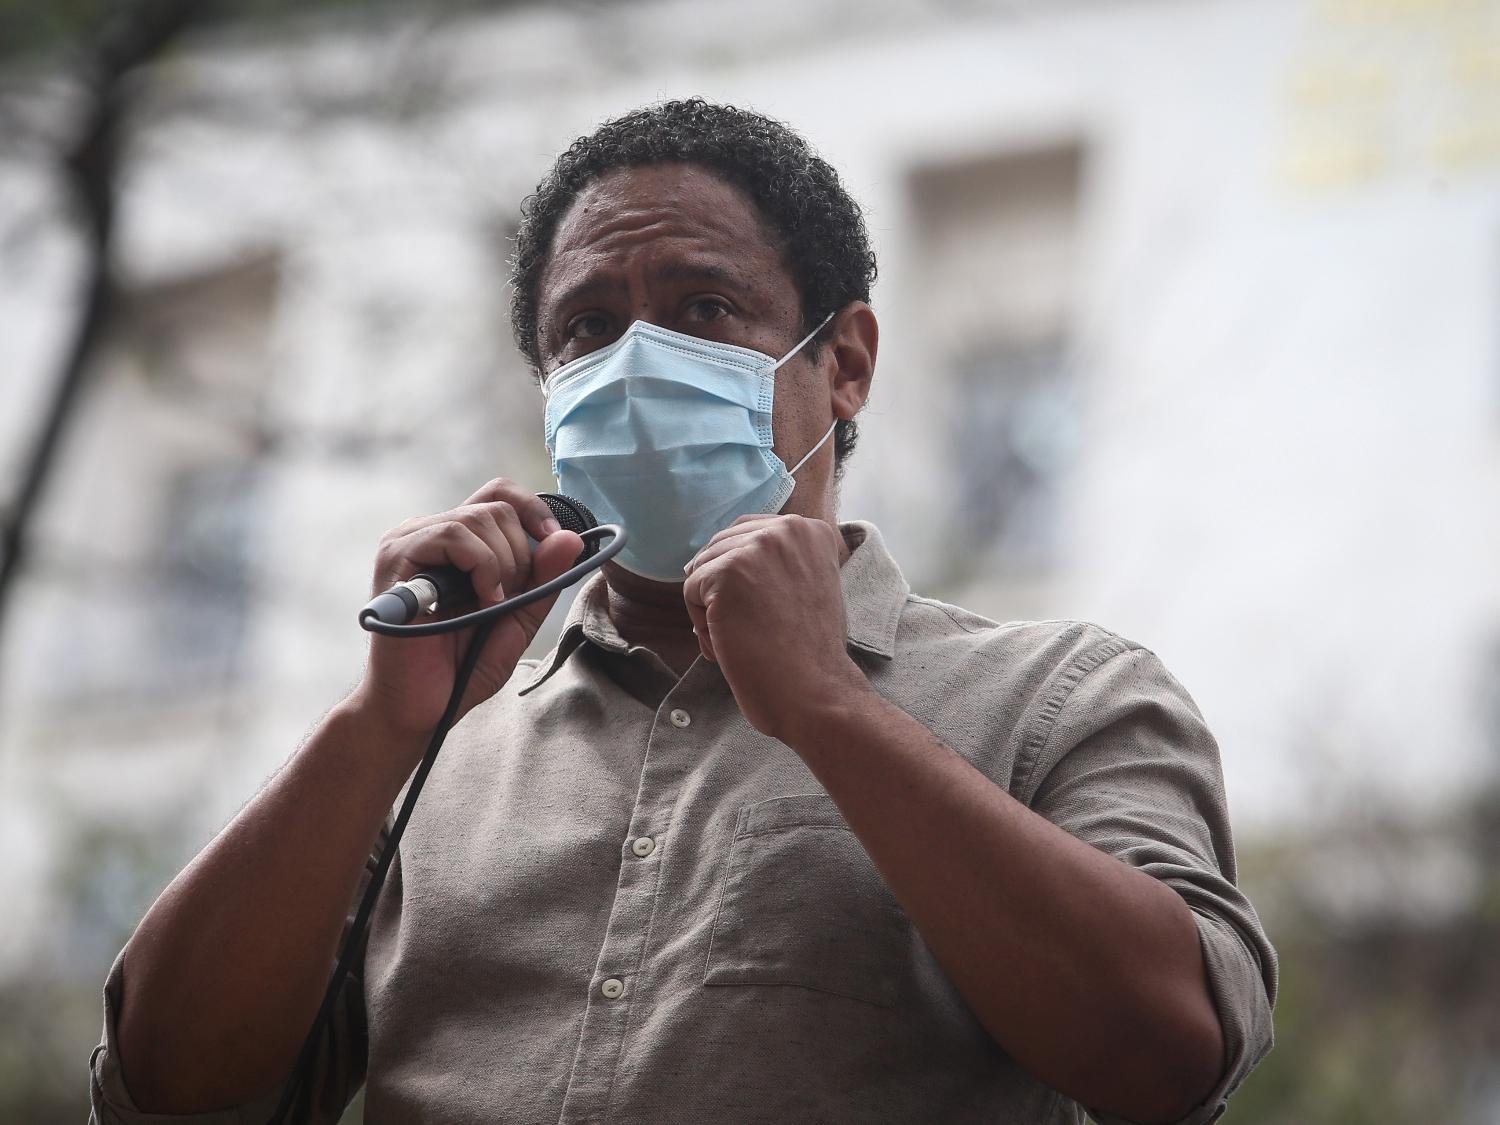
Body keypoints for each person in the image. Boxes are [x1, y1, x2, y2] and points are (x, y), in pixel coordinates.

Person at [90, 98, 1275, 1125]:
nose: (638, 361)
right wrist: (377, 731)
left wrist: (831, 712)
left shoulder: (1058, 697)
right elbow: (162, 1091)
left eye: (704, 308)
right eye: (588, 328)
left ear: (846, 359)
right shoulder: (422, 761)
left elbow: (1173, 1059)